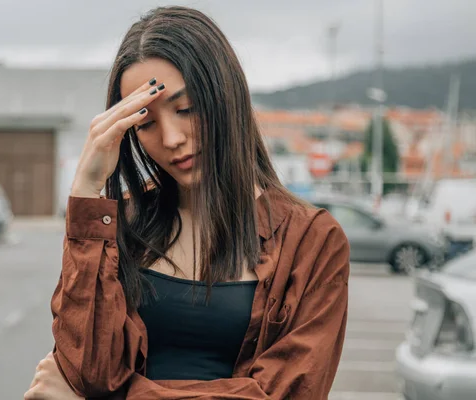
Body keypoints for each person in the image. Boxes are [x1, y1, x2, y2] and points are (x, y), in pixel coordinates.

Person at [25, 6, 350, 400]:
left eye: (186, 108)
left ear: (225, 95)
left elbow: (289, 392)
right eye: (145, 123)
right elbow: (84, 373)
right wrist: (88, 189)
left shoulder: (312, 242)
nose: (172, 137)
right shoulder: (122, 224)